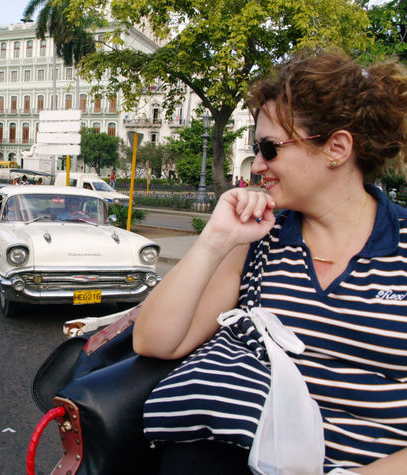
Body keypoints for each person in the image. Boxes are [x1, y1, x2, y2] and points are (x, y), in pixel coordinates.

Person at [134, 50, 407, 473]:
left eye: (269, 148)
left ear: (337, 147)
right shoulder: (263, 239)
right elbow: (154, 341)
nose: (258, 165)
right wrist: (216, 239)